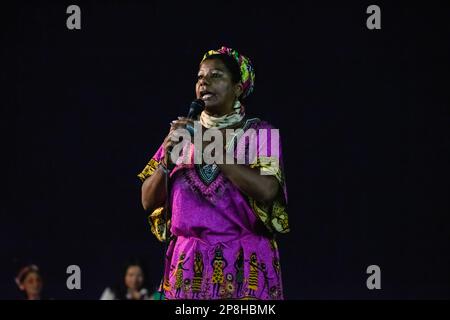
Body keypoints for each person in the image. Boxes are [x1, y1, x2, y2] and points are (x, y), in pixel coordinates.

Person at [138, 46, 289, 300]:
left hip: (244, 266)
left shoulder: (262, 133)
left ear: (238, 88)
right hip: (188, 268)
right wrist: (167, 160)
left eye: (216, 75)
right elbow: (147, 200)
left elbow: (267, 190)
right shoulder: (182, 134)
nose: (204, 82)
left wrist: (211, 147)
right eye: (199, 77)